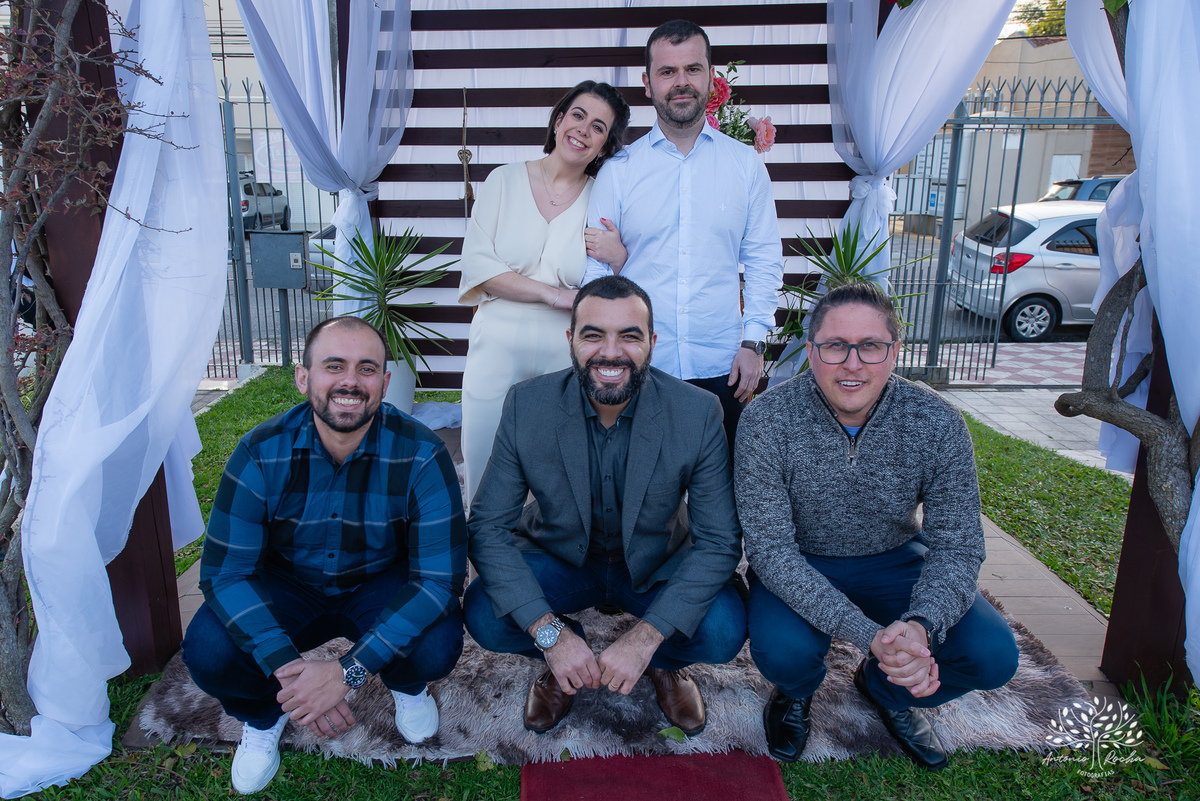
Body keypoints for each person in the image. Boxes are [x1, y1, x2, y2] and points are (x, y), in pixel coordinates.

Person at [734, 282, 1019, 771]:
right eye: (834, 346)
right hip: (801, 561)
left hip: (896, 558)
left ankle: (887, 689)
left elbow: (958, 545)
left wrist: (920, 627)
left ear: (894, 352)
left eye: (870, 346)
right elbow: (770, 552)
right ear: (811, 350)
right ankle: (797, 692)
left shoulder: (936, 421)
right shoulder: (767, 419)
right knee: (782, 650)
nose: (852, 363)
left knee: (992, 655)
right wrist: (872, 635)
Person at [182, 317, 467, 795]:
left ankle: (406, 685)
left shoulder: (422, 453)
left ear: (385, 381)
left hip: (378, 584)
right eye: (334, 366)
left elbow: (439, 580)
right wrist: (294, 679)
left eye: (366, 368)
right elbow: (225, 575)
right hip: (286, 586)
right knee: (209, 650)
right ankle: (265, 712)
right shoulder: (259, 451)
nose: (350, 382)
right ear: (303, 377)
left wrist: (346, 673)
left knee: (437, 642)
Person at [463, 275, 746, 737]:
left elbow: (718, 542)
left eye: (629, 336)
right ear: (570, 339)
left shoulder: (698, 412)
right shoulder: (526, 405)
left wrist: (647, 637)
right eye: (593, 335)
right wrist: (550, 636)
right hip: (560, 557)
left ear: (652, 343)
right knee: (483, 613)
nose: (610, 352)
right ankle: (562, 658)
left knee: (723, 629)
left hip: (656, 563)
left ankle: (662, 664)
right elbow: (488, 528)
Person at [582, 19, 783, 447]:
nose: (681, 82)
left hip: (723, 365)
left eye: (693, 69)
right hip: (641, 365)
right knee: (641, 507)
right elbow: (593, 271)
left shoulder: (746, 167)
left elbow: (765, 260)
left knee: (720, 506)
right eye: (667, 72)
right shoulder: (619, 172)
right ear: (647, 83)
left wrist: (755, 342)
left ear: (711, 77)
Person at [458, 80, 631, 505]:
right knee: (482, 457)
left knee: (560, 468)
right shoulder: (503, 180)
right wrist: (555, 296)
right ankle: (482, 556)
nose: (583, 131)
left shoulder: (602, 198)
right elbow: (480, 267)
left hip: (565, 351)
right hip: (495, 342)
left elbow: (617, 284)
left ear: (605, 147)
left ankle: (547, 557)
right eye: (577, 116)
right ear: (557, 121)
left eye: (598, 128)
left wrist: (620, 257)